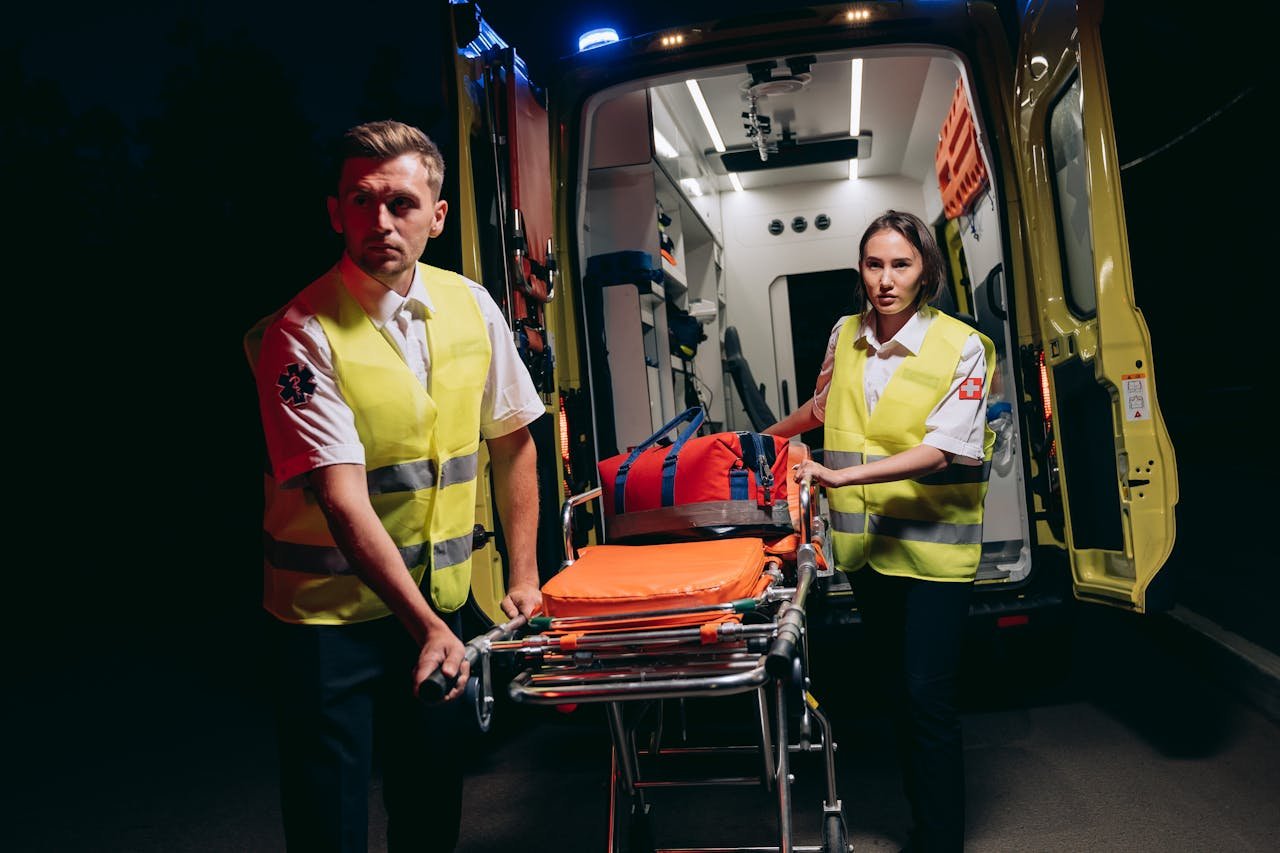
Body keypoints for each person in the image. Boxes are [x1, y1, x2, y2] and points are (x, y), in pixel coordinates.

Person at [244, 119, 545, 852]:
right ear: (335, 212)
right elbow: (342, 499)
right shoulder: (299, 333)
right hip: (327, 625)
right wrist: (429, 628)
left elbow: (513, 443)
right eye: (361, 200)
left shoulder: (472, 305)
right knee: (330, 825)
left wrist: (525, 575)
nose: (380, 221)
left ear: (437, 217)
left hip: (438, 603)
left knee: (431, 809)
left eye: (401, 203)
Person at [765, 210, 994, 853]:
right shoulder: (844, 335)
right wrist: (758, 441)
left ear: (926, 271)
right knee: (899, 693)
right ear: (860, 270)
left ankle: (940, 841)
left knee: (927, 697)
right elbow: (822, 407)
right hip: (869, 553)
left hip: (936, 558)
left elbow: (944, 450)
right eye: (874, 264)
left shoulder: (964, 346)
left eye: (901, 264)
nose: (886, 279)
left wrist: (840, 478)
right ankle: (922, 825)